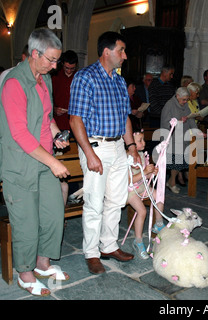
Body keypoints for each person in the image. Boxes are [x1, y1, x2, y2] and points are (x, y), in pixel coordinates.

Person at [0, 28, 70, 297]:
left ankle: (43, 263)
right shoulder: (14, 83)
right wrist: (53, 162)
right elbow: (19, 134)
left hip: (43, 160)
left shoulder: (44, 79)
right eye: (51, 60)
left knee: (53, 214)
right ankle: (25, 273)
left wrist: (56, 135)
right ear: (34, 54)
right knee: (26, 223)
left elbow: (47, 116)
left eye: (57, 61)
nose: (55, 66)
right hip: (20, 164)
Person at [69, 31, 137, 275]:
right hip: (96, 146)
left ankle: (108, 245)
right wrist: (89, 153)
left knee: (116, 201)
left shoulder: (119, 80)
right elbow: (75, 120)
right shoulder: (85, 77)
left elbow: (125, 118)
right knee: (94, 204)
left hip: (118, 146)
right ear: (106, 51)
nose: (125, 56)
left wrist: (131, 147)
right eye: (121, 50)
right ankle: (92, 253)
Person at [127, 126, 165, 259]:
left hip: (142, 187)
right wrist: (145, 173)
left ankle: (158, 224)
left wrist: (151, 173)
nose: (143, 143)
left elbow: (145, 177)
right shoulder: (127, 158)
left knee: (159, 194)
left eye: (143, 140)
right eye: (140, 140)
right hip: (130, 191)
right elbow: (128, 180)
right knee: (142, 211)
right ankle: (138, 241)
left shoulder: (143, 155)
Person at [160, 87, 198, 194]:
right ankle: (172, 183)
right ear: (177, 96)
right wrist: (179, 121)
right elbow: (165, 123)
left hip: (183, 137)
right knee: (175, 162)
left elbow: (190, 119)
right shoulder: (169, 105)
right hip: (172, 138)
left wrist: (196, 131)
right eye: (183, 100)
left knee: (180, 163)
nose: (185, 102)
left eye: (187, 99)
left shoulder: (185, 105)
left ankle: (171, 181)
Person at [52, 50, 78, 131]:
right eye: (67, 68)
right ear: (62, 64)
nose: (69, 71)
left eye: (72, 68)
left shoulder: (79, 77)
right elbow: (48, 97)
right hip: (58, 122)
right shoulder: (54, 77)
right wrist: (54, 109)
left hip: (75, 123)